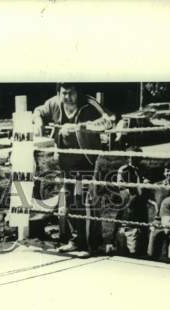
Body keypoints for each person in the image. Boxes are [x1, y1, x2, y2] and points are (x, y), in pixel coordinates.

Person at [33, 83, 113, 256]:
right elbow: (39, 110)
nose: (67, 97)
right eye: (64, 93)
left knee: (86, 201)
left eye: (71, 93)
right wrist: (38, 120)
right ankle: (76, 241)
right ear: (58, 92)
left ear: (78, 92)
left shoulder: (89, 103)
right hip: (66, 163)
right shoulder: (54, 103)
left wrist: (82, 127)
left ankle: (92, 244)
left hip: (88, 162)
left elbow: (109, 121)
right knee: (70, 202)